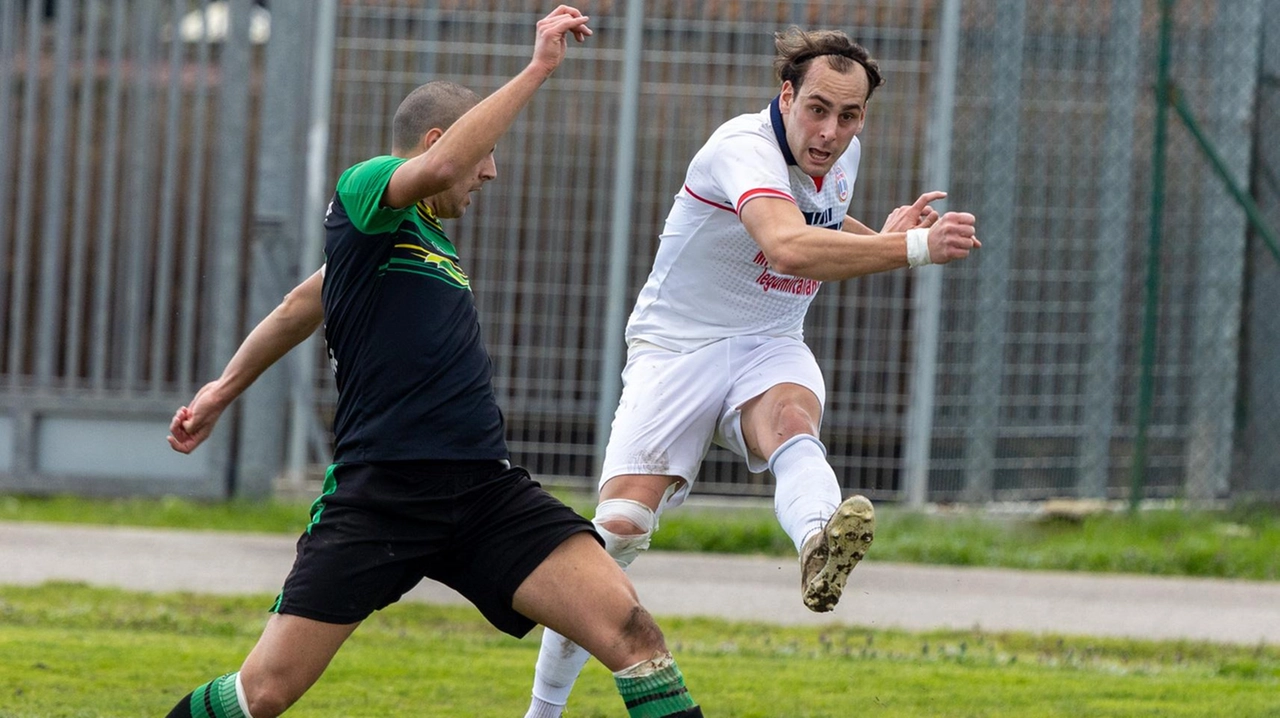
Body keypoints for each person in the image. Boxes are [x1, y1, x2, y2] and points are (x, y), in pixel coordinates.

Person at [163, 7, 703, 718]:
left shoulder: (421, 245)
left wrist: (220, 389)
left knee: (633, 632)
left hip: (484, 492)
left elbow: (302, 303)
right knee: (262, 694)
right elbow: (446, 165)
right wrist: (538, 67)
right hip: (381, 494)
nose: (491, 170)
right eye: (485, 152)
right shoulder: (366, 190)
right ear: (437, 140)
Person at [521, 26, 980, 718]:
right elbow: (786, 244)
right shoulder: (742, 146)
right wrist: (911, 249)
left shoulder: (843, 153)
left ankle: (820, 542)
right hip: (677, 349)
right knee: (613, 536)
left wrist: (881, 237)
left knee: (794, 425)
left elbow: (817, 218)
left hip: (769, 341)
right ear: (787, 95)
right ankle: (542, 714)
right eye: (818, 109)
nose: (830, 131)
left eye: (850, 115)